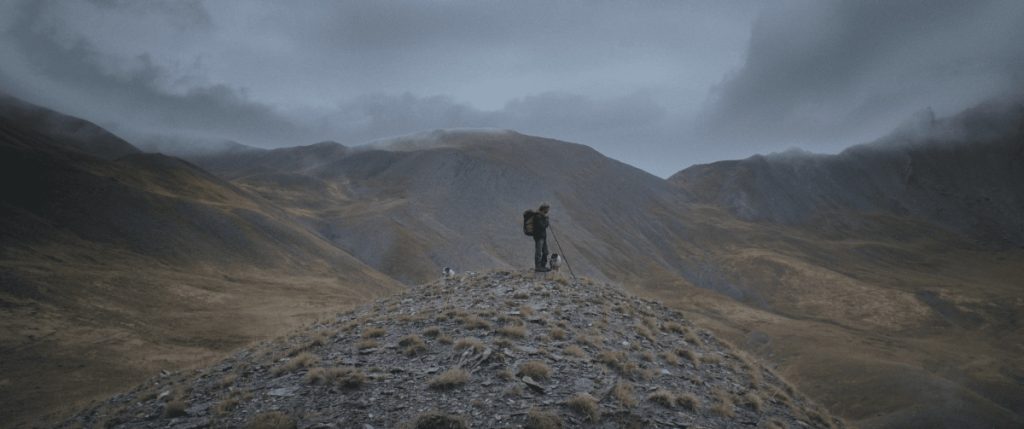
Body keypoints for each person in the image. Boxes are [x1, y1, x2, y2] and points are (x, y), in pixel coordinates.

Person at [533, 203, 551, 272]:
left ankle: (543, 266)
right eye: (547, 209)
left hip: (543, 237)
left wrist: (545, 218)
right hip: (539, 237)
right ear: (544, 209)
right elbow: (543, 226)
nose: (548, 211)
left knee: (545, 252)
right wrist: (546, 220)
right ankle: (538, 267)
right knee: (539, 252)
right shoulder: (538, 216)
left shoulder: (541, 216)